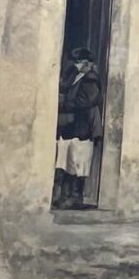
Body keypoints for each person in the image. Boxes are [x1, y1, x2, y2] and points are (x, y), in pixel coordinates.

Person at [53, 47, 103, 210]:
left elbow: (85, 101)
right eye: (75, 62)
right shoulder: (75, 76)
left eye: (79, 62)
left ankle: (75, 198)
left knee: (78, 162)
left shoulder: (91, 80)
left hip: (83, 125)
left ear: (88, 63)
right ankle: (64, 196)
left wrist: (64, 104)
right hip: (71, 125)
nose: (76, 65)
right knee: (67, 161)